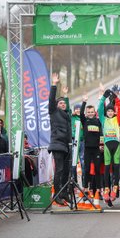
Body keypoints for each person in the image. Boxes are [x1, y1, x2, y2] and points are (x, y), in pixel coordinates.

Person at [48, 73, 72, 206]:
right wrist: (54, 85)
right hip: (57, 144)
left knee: (67, 171)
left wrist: (66, 95)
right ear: (57, 105)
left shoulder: (66, 116)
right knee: (60, 170)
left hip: (66, 146)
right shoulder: (54, 112)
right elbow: (51, 100)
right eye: (60, 103)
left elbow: (67, 108)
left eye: (64, 103)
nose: (63, 104)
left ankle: (64, 193)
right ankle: (56, 194)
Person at [98, 89, 120, 203]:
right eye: (108, 111)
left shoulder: (116, 119)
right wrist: (103, 97)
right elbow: (99, 109)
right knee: (107, 168)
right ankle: (107, 189)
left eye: (111, 111)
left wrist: (116, 98)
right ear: (106, 112)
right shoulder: (103, 120)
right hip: (107, 145)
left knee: (116, 167)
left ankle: (115, 188)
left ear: (114, 112)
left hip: (116, 145)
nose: (110, 113)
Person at [80, 94, 102, 203]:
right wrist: (84, 102)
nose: (90, 113)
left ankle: (98, 190)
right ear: (86, 113)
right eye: (88, 112)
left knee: (98, 169)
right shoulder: (85, 121)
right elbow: (80, 114)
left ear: (95, 112)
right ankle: (86, 190)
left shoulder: (98, 121)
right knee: (87, 169)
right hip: (88, 149)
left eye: (92, 112)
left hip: (97, 149)